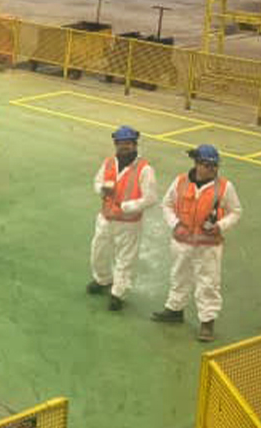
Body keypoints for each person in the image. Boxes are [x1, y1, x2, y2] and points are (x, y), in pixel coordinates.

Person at [152, 144, 243, 343]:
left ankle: (207, 322)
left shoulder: (225, 187)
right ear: (197, 164)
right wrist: (175, 224)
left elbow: (236, 211)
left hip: (208, 246)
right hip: (182, 242)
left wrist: (220, 226)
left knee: (208, 283)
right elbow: (166, 204)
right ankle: (175, 309)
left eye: (215, 166)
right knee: (178, 276)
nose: (212, 169)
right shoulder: (180, 182)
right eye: (207, 165)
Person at [87, 126, 157, 311]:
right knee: (98, 252)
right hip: (106, 218)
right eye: (120, 143)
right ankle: (102, 280)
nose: (123, 147)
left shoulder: (144, 169)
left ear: (134, 145)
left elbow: (151, 198)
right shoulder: (109, 163)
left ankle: (118, 293)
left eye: (127, 143)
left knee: (125, 260)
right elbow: (97, 181)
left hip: (128, 224)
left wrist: (128, 207)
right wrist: (102, 189)